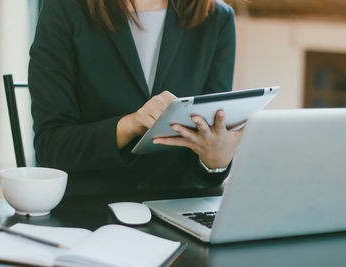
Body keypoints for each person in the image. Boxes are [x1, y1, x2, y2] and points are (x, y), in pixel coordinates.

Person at [28, 0, 243, 196]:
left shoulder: (217, 17)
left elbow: (209, 167)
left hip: (181, 205)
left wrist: (215, 161)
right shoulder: (65, 9)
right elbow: (51, 147)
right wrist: (129, 125)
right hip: (91, 209)